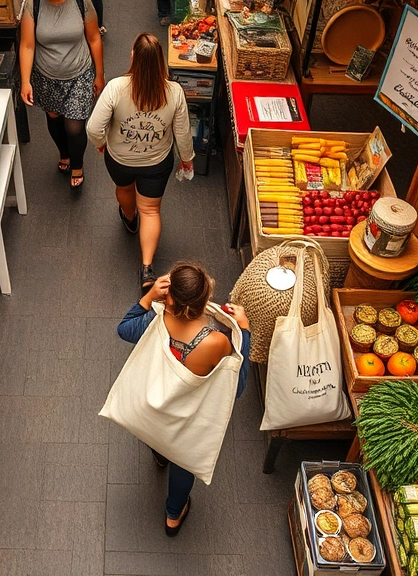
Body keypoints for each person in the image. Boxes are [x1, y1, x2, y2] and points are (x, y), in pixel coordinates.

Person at [116, 263, 251, 536]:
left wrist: (148, 296)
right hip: (186, 418)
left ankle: (158, 453)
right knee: (184, 461)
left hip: (153, 409)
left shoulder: (156, 321)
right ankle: (173, 516)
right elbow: (236, 387)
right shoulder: (216, 342)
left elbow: (124, 329)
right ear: (204, 302)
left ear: (170, 296)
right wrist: (244, 331)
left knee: (159, 435)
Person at [87, 33, 194, 289]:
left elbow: (93, 128)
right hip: (157, 162)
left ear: (133, 56)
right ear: (161, 60)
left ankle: (129, 216)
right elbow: (182, 133)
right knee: (152, 210)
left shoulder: (115, 87)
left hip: (120, 159)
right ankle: (147, 269)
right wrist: (187, 159)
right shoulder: (175, 92)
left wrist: (101, 143)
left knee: (124, 189)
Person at [20, 0, 105, 190]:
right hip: (46, 76)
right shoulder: (33, 5)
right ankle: (64, 153)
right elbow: (27, 45)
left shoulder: (81, 3)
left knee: (74, 127)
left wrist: (99, 74)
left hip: (80, 73)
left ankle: (77, 165)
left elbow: (94, 38)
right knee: (54, 118)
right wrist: (25, 81)